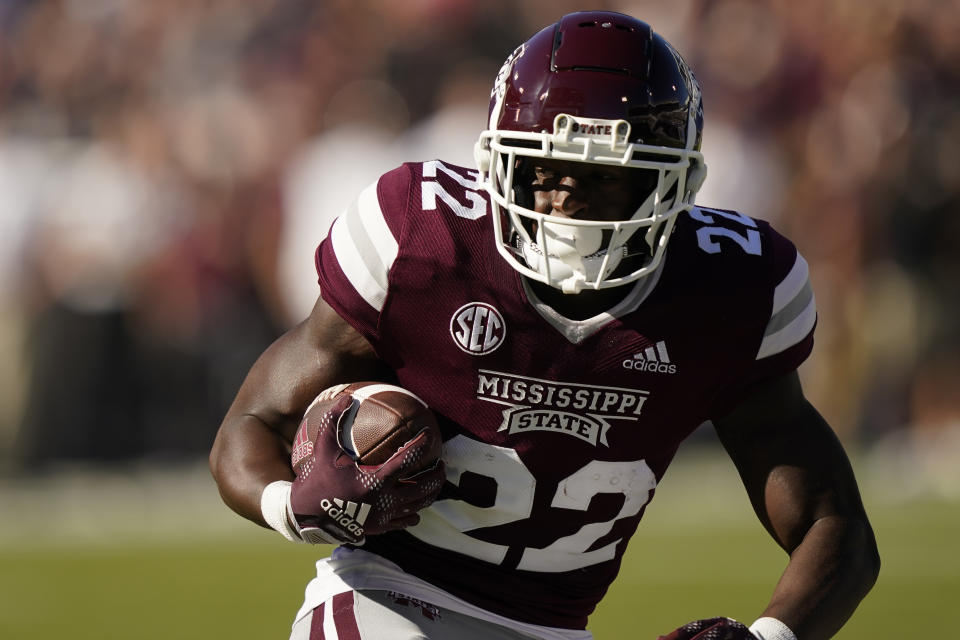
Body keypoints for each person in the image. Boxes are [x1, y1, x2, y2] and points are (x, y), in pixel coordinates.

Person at [210, 11, 879, 640]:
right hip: (384, 597)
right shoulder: (422, 240)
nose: (564, 209)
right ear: (498, 162)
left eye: (604, 182)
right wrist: (292, 508)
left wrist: (769, 636)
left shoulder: (733, 288)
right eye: (542, 175)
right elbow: (252, 424)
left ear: (676, 184)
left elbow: (833, 522)